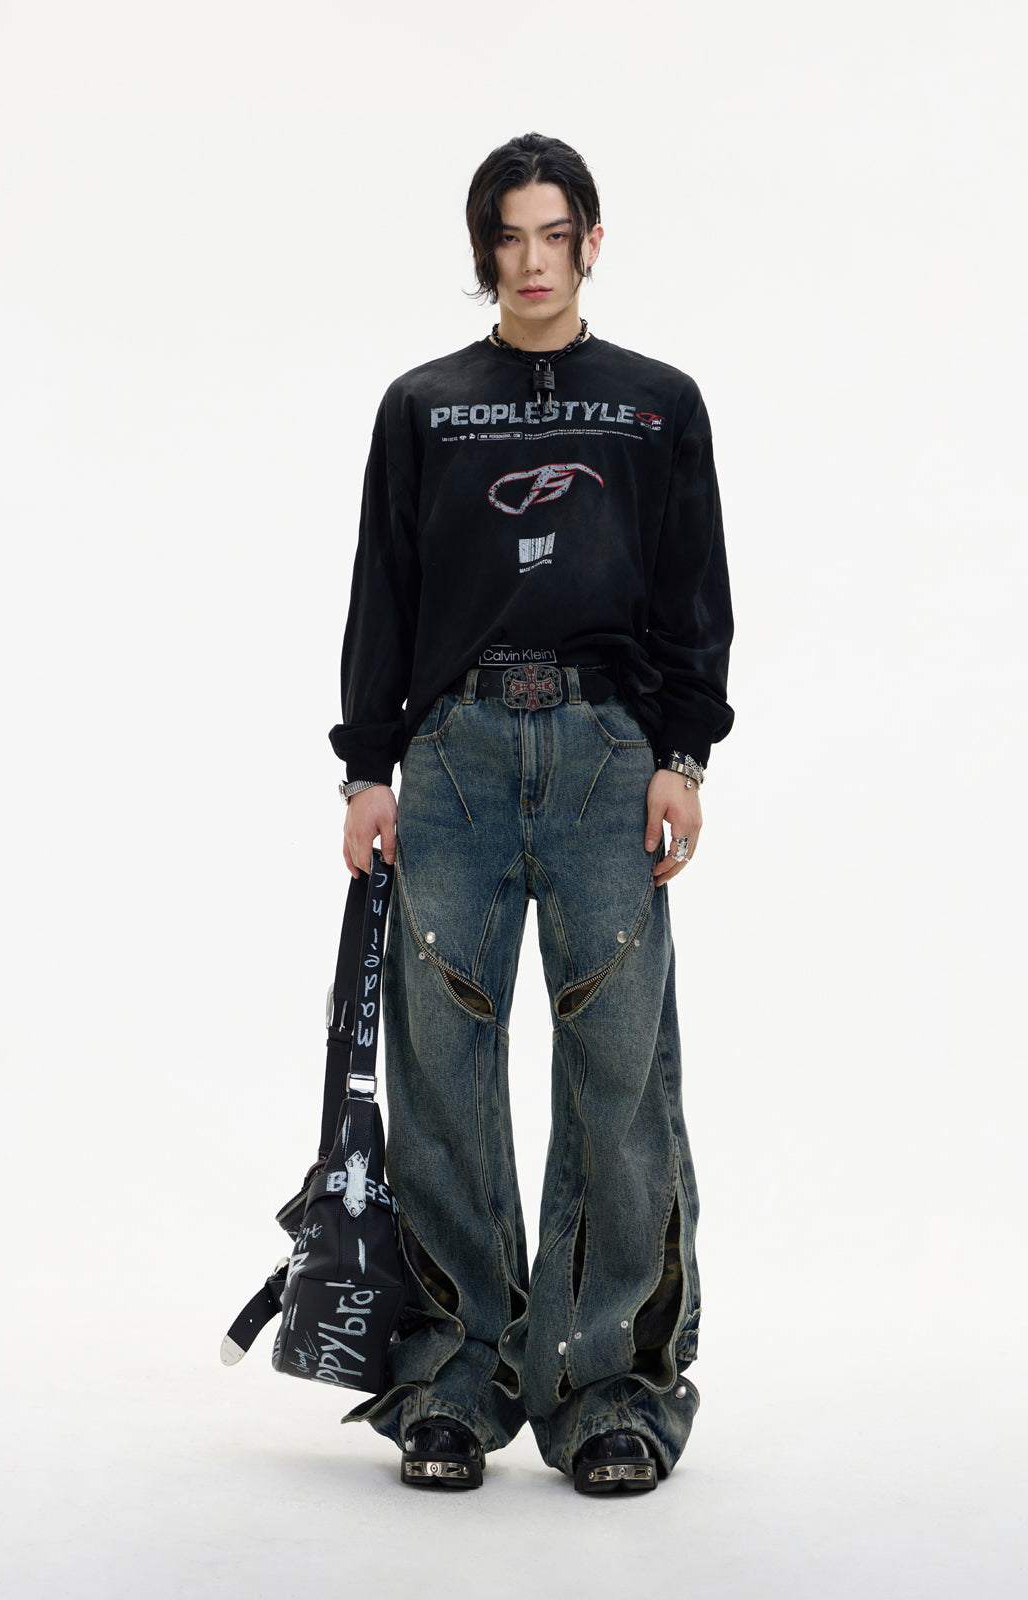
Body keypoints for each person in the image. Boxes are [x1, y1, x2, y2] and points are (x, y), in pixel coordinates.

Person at [328, 132, 733, 1495]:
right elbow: (384, 587)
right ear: (483, 251)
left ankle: (613, 1392)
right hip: (450, 757)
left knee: (619, 1074)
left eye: (556, 234)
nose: (534, 260)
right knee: (441, 1071)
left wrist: (684, 755)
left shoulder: (656, 406)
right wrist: (367, 768)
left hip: (610, 752)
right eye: (510, 237)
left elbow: (691, 589)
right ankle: (454, 1381)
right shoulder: (425, 406)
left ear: (592, 243)